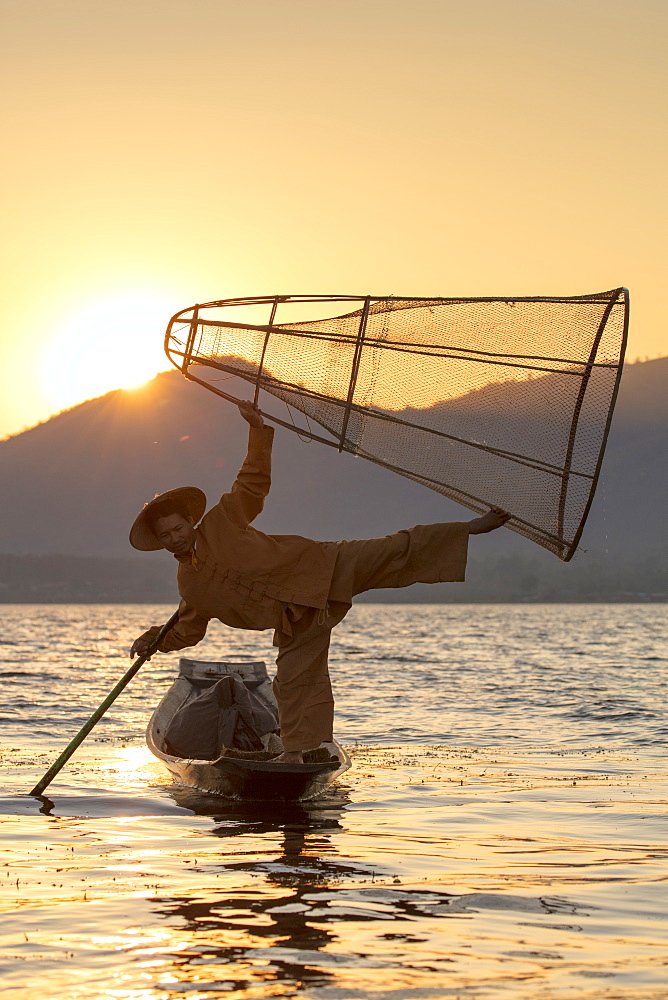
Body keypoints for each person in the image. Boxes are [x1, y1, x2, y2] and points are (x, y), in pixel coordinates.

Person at [130, 401, 510, 762]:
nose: (175, 538)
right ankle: (294, 754)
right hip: (298, 619)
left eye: (179, 528)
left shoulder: (221, 521)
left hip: (323, 565)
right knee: (294, 681)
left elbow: (251, 483)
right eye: (166, 535)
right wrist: (152, 641)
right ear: (160, 542)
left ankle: (470, 529)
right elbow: (185, 629)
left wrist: (257, 431)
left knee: (394, 548)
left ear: (189, 523)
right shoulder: (190, 586)